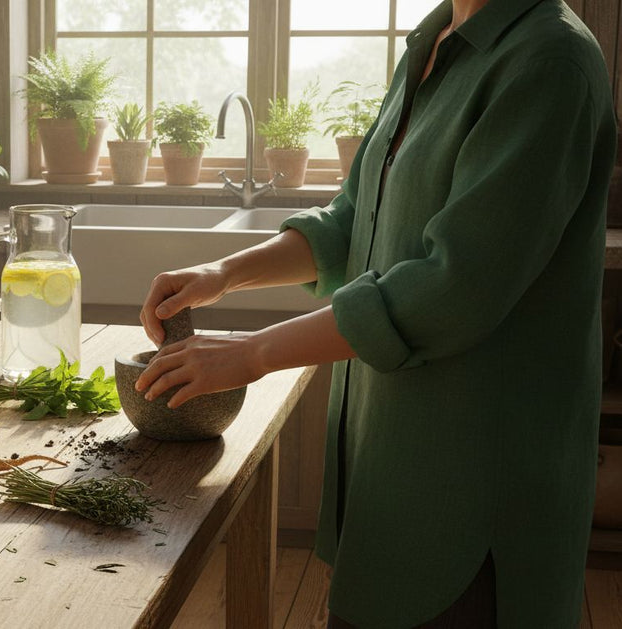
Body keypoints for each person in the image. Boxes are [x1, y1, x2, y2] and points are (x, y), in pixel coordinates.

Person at [135, 0, 617, 626]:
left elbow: (453, 289)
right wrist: (221, 275)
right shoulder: (435, 41)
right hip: (391, 466)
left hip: (476, 490)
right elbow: (353, 220)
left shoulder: (550, 61)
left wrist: (252, 354)